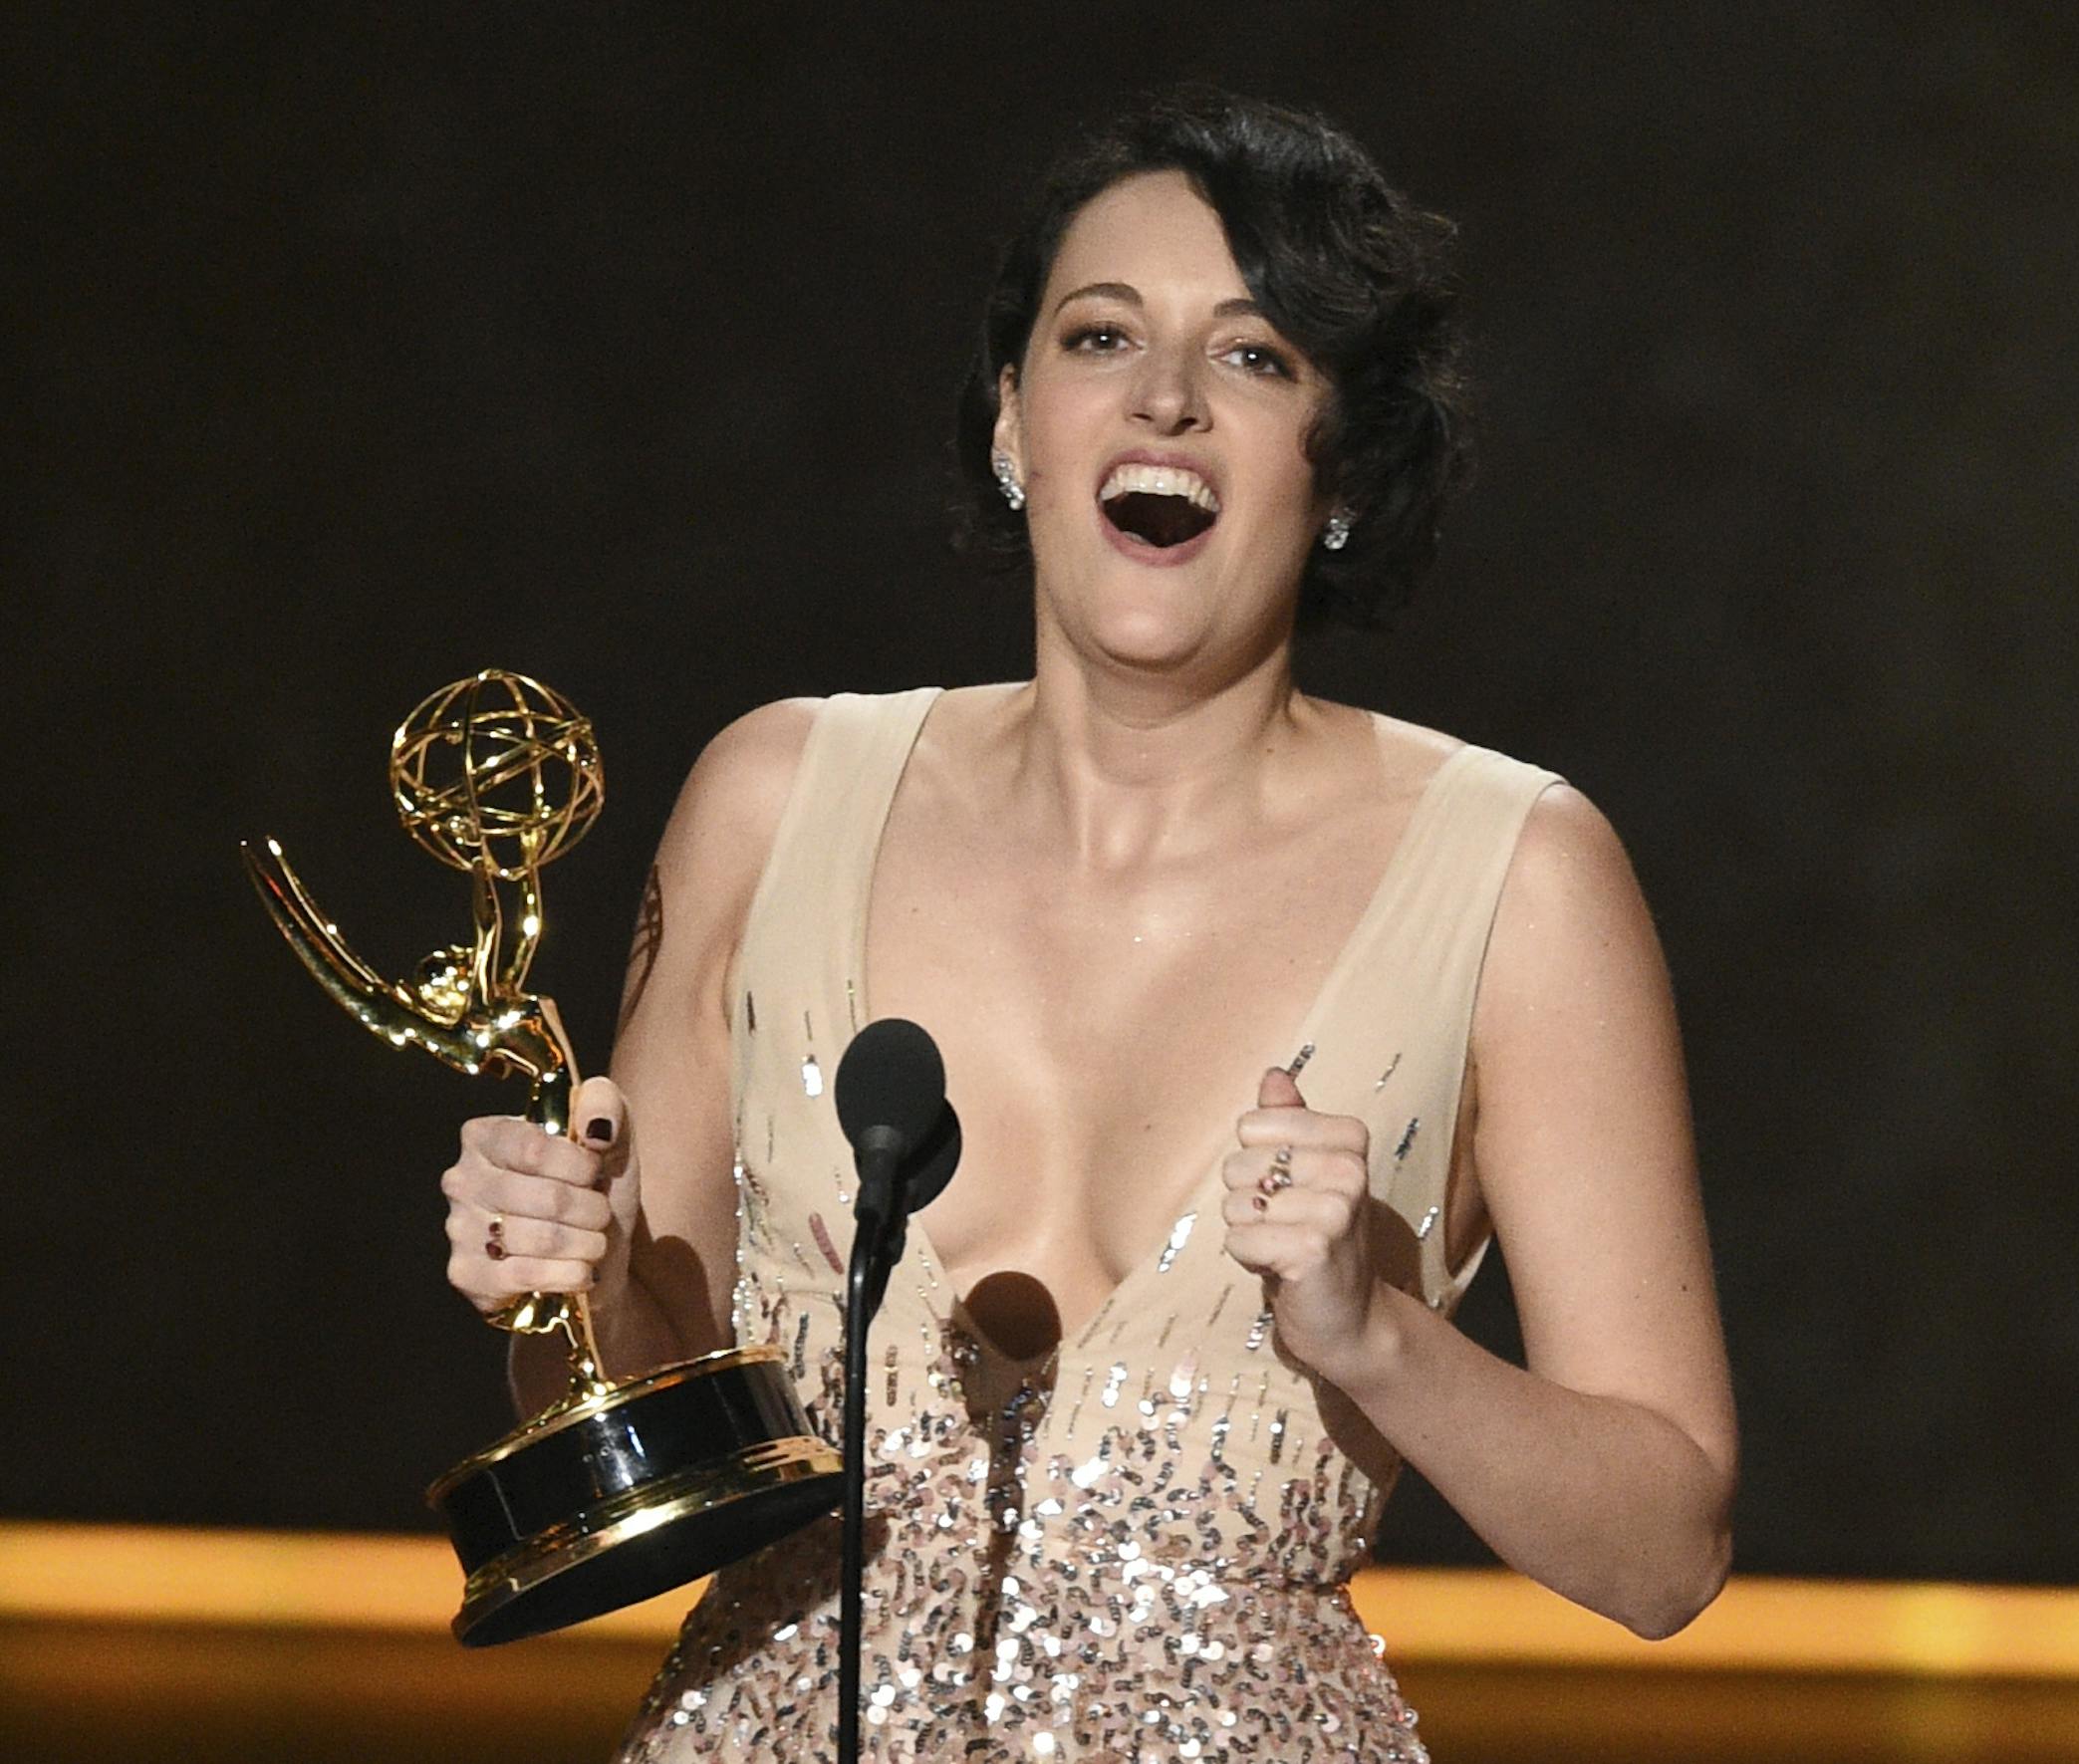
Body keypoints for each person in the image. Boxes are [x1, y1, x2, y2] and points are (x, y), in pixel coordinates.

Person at [438, 90, 1737, 1762]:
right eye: (1101, 335)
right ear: (1011, 422)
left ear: (1342, 466)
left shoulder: (1521, 876)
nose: (1168, 400)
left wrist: (1375, 1336)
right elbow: (640, 1415)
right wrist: (581, 1290)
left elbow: (1664, 1554)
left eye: (1256, 358)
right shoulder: (775, 797)